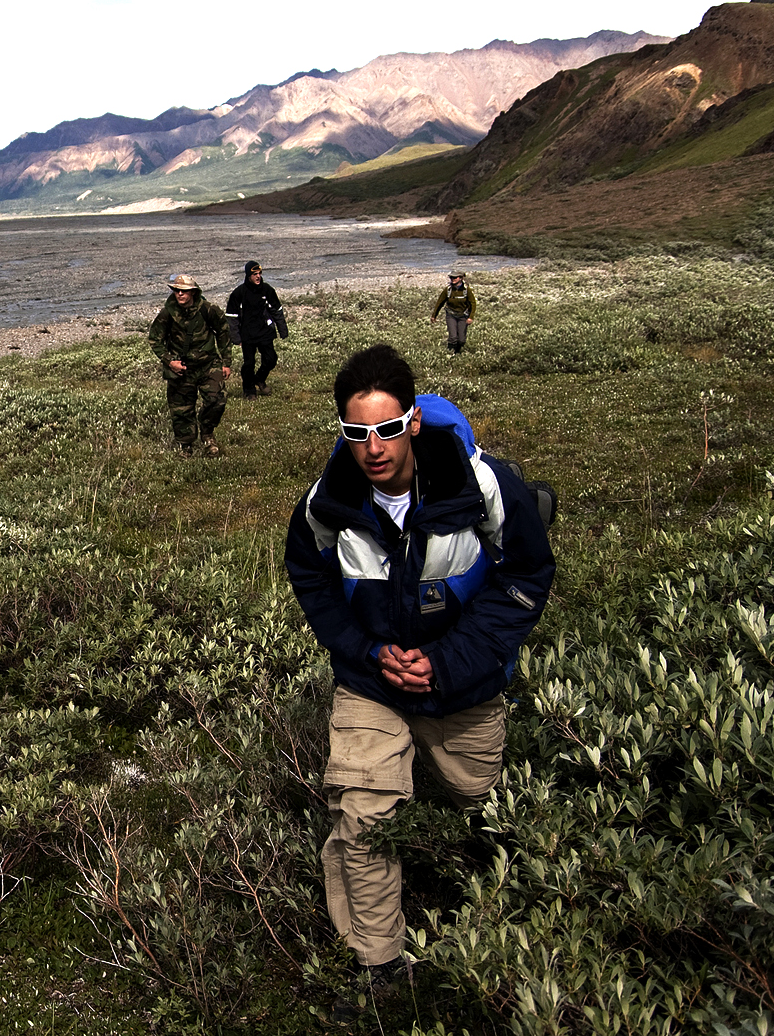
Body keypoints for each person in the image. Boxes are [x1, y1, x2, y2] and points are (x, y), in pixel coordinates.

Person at [283, 345, 555, 1014]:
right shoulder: (327, 502)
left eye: (384, 428)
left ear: (410, 421)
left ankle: (507, 920)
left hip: (464, 683)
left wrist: (449, 659)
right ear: (342, 433)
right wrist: (368, 651)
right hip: (373, 682)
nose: (371, 448)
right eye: (355, 433)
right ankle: (381, 970)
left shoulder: (483, 485)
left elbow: (526, 577)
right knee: (363, 813)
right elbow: (310, 578)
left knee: (482, 801)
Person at [147, 273, 233, 455]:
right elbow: (155, 339)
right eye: (177, 291)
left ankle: (207, 433)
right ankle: (186, 445)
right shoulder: (167, 313)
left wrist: (226, 362)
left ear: (193, 292)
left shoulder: (208, 310)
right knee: (181, 409)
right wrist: (170, 362)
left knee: (216, 399)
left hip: (208, 364)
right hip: (181, 368)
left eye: (184, 291)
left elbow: (223, 332)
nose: (179, 294)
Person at [225, 260, 284, 398]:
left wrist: (282, 330)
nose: (258, 276)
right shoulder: (239, 293)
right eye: (254, 274)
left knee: (271, 359)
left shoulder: (267, 290)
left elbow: (277, 310)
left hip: (265, 332)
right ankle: (249, 390)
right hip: (247, 334)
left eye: (259, 273)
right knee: (249, 363)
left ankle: (259, 378)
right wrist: (236, 337)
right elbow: (231, 317)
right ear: (248, 275)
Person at [430, 271, 477, 354]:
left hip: (463, 316)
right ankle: (450, 353)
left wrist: (471, 317)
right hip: (451, 315)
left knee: (461, 339)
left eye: (455, 277)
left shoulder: (466, 290)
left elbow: (473, 303)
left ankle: (457, 351)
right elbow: (439, 303)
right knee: (453, 337)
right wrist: (434, 315)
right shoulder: (448, 290)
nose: (452, 279)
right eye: (451, 277)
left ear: (461, 278)